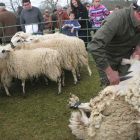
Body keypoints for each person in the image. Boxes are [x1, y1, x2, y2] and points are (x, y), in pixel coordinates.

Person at [87, 1, 140, 87]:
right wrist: (109, 72)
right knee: (110, 89)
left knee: (130, 85)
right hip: (108, 56)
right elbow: (94, 45)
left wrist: (138, 46)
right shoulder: (117, 19)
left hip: (126, 54)